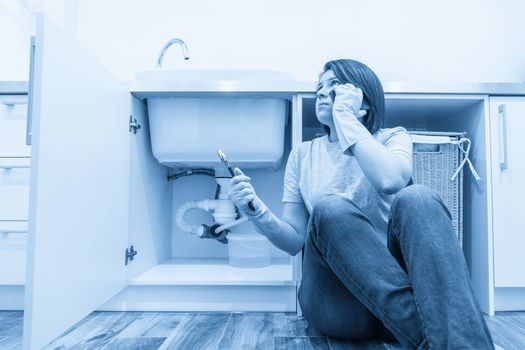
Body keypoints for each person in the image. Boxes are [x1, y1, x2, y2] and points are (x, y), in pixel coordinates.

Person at [227, 59, 494, 349]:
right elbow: (294, 241)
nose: (320, 92)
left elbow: (391, 180)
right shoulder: (303, 155)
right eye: (319, 86)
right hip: (338, 305)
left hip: (395, 307)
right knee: (331, 209)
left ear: (363, 102)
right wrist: (257, 212)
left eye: (334, 87)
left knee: (418, 197)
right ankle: (456, 339)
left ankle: (446, 341)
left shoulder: (393, 137)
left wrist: (347, 120)